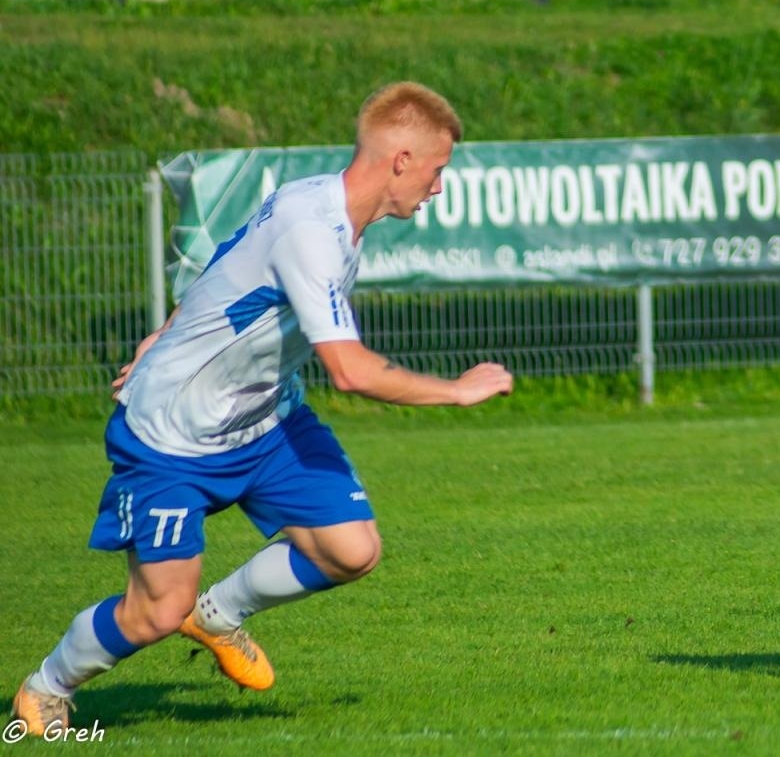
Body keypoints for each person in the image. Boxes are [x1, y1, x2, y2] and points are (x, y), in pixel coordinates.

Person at [10, 82, 514, 737]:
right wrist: (457, 389)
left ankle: (219, 614)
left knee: (351, 549)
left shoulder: (314, 202)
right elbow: (349, 370)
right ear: (401, 159)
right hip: (173, 437)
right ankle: (46, 687)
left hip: (265, 421)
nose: (439, 186)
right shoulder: (315, 231)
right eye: (437, 169)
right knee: (157, 612)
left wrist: (168, 330)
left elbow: (227, 267)